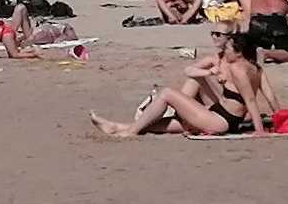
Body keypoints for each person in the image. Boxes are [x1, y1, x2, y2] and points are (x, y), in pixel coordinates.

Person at [87, 30, 278, 139]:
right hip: (220, 116)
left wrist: (259, 131)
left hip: (221, 121)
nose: (225, 52)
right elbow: (270, 97)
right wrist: (281, 119)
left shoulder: (238, 69)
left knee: (167, 93)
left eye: (228, 49)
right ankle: (118, 127)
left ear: (239, 52)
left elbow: (250, 100)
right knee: (161, 124)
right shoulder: (257, 69)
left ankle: (131, 132)